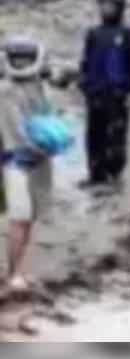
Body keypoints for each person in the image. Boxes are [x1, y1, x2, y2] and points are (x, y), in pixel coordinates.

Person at [0, 37, 54, 293]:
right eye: (17, 57)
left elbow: (46, 118)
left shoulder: (38, 87)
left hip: (36, 161)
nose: (22, 63)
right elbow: (16, 132)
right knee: (18, 219)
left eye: (26, 57)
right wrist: (43, 148)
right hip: (16, 162)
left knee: (30, 218)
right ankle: (12, 274)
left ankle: (19, 269)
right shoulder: (5, 91)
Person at [79, 0, 130, 191]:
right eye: (102, 5)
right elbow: (85, 61)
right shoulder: (93, 33)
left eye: (110, 6)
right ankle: (95, 175)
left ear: (119, 8)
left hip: (118, 94)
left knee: (116, 136)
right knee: (94, 135)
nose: (105, 9)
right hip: (96, 92)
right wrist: (84, 83)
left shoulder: (128, 34)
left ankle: (113, 175)